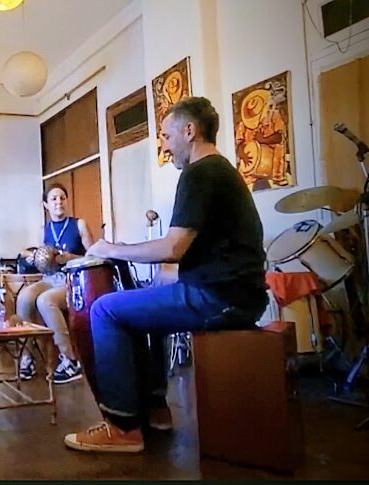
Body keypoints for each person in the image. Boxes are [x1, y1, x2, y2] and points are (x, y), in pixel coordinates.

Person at [63, 96, 268, 453]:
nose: (164, 144)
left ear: (190, 131)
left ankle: (122, 427)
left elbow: (173, 247)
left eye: (166, 135)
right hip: (237, 294)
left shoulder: (200, 173)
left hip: (220, 298)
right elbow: (199, 249)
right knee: (141, 309)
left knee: (105, 310)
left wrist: (111, 248)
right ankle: (156, 410)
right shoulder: (220, 171)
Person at [16, 183, 93, 384]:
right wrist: (34, 258)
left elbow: (94, 256)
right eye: (54, 199)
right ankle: (27, 356)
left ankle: (69, 359)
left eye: (62, 198)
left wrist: (70, 258)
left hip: (71, 280)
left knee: (45, 301)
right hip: (49, 278)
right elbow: (38, 258)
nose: (59, 202)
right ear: (46, 205)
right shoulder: (44, 230)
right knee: (24, 296)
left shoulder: (79, 224)